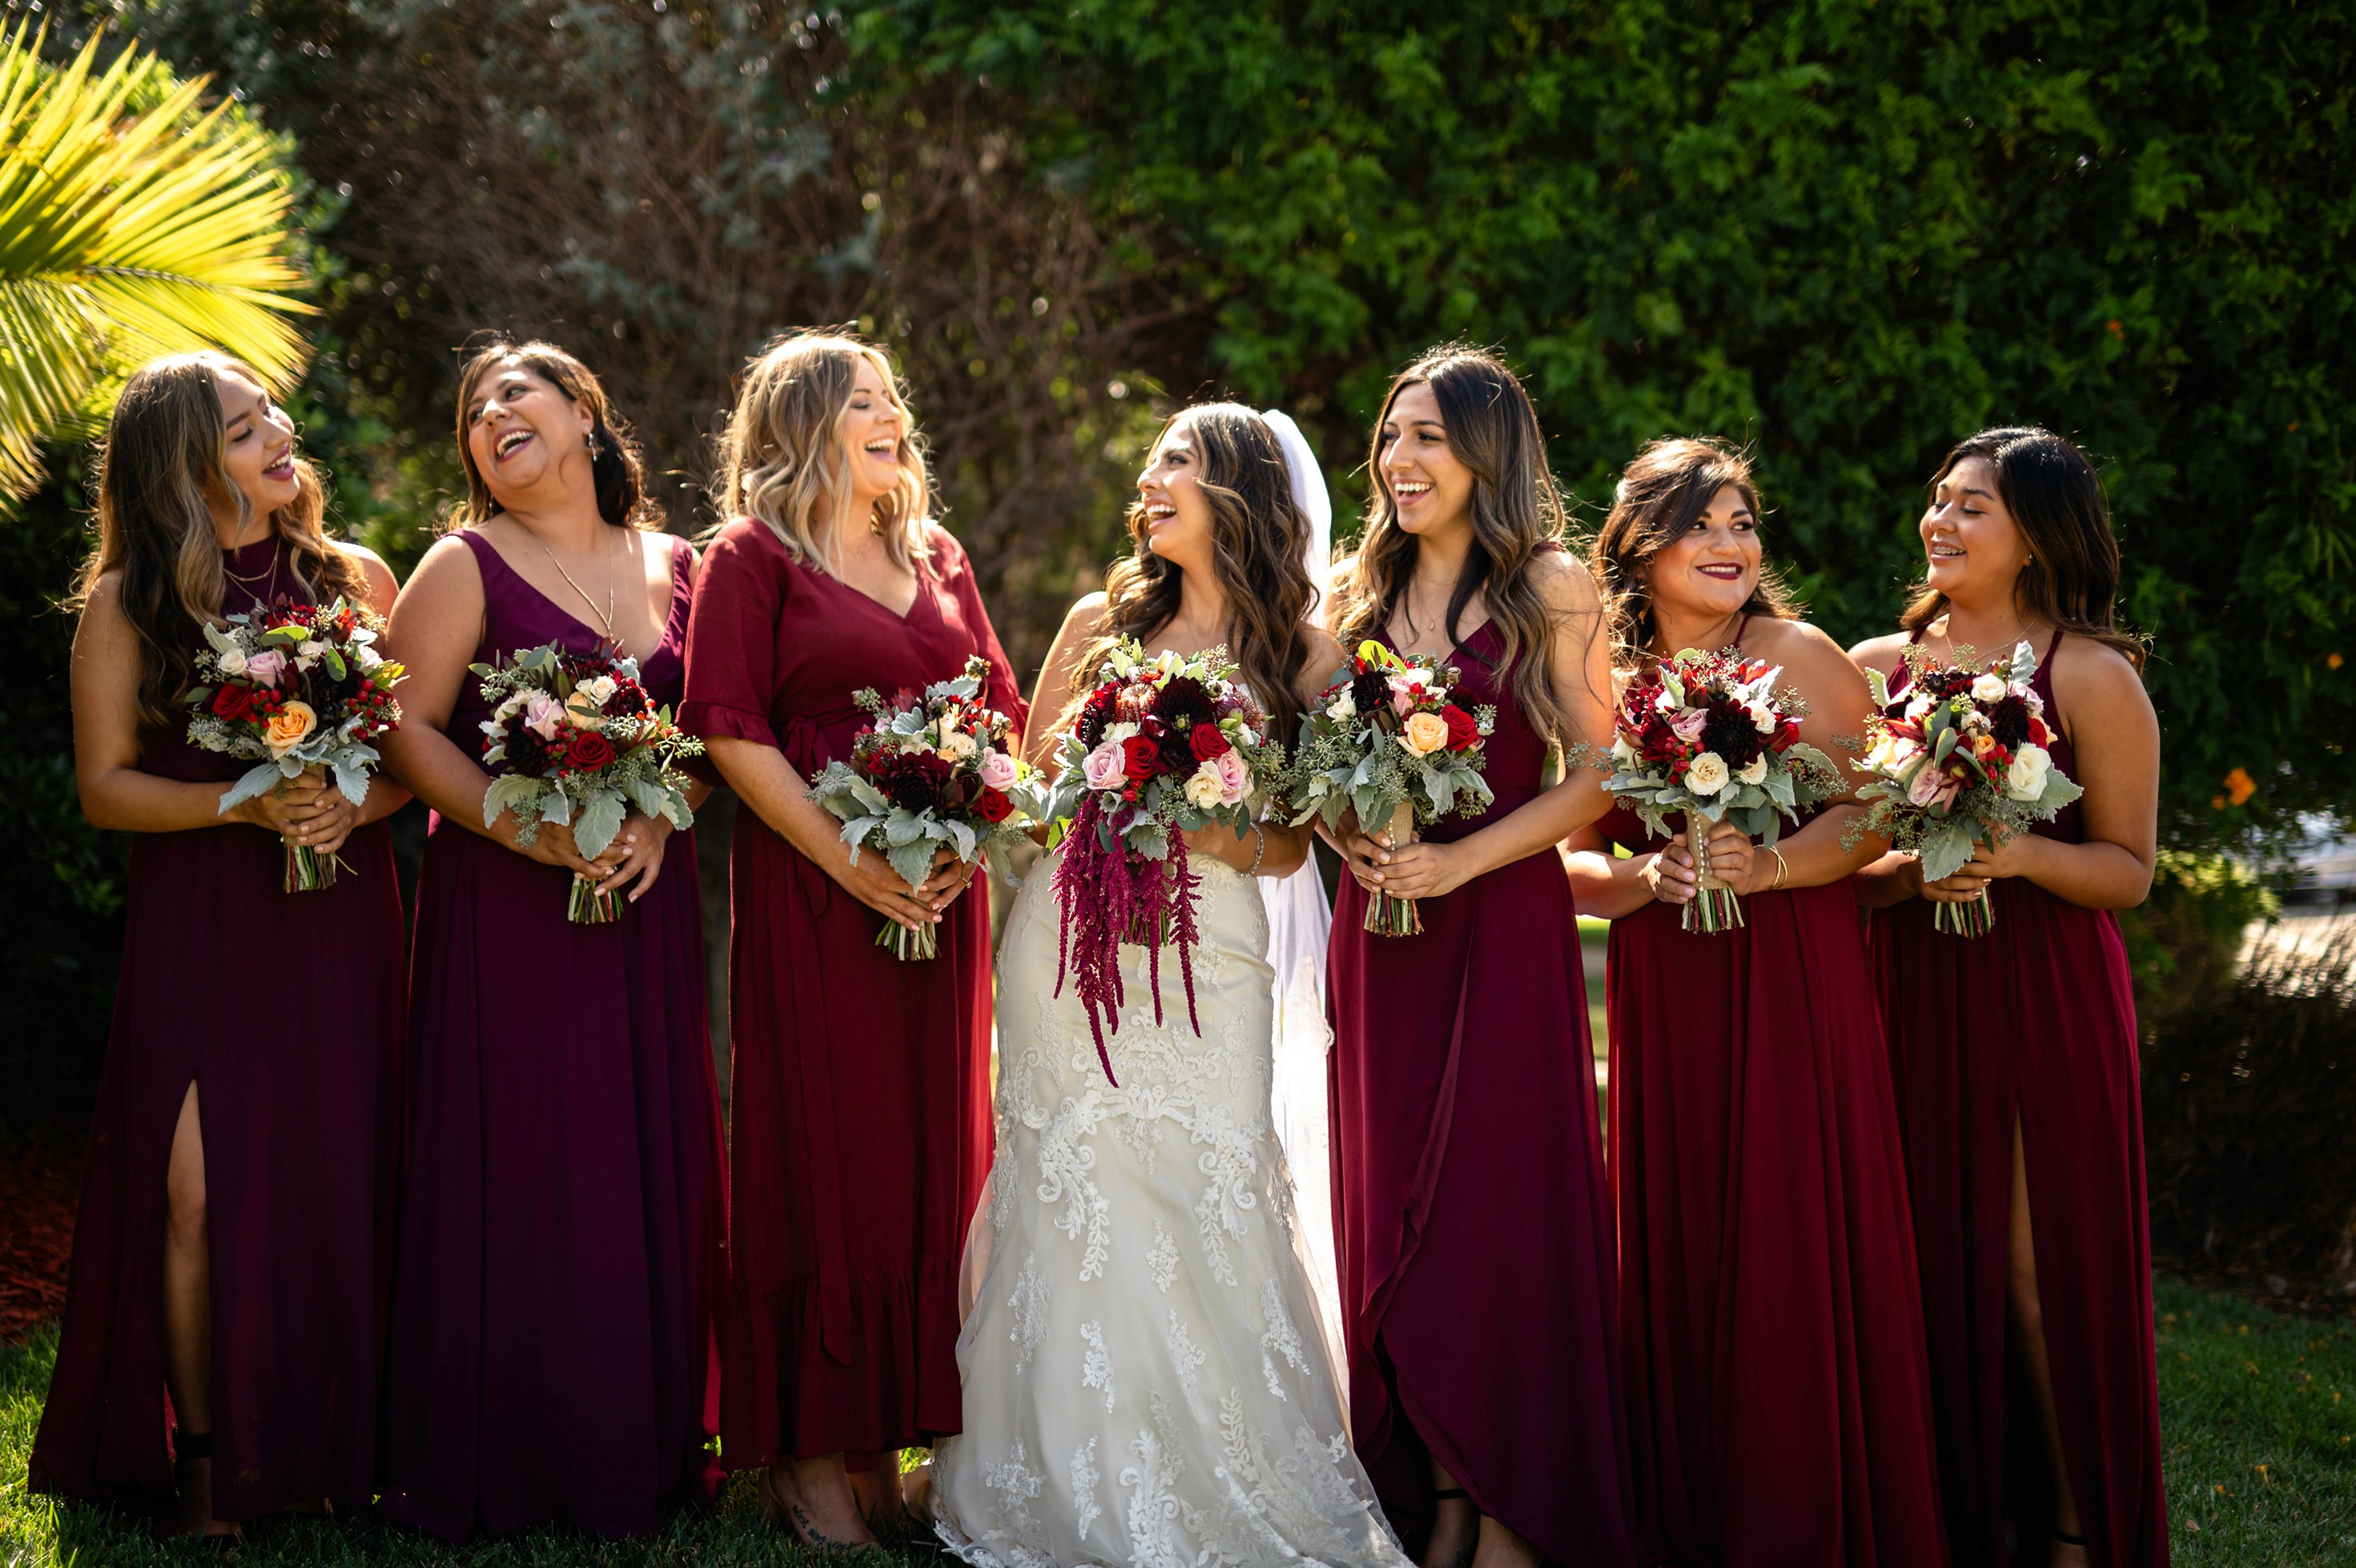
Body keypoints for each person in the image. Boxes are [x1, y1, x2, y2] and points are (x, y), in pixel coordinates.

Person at [919, 401, 1405, 1566]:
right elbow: (1035, 790)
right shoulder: (1098, 622)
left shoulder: (1305, 651)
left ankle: (1227, 1477)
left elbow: (1301, 843)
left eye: (1176, 462)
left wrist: (1206, 827)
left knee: (1209, 1180)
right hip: (1067, 943)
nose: (1149, 480)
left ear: (1236, 488)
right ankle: (1050, 1480)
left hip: (1211, 951)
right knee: (1067, 1181)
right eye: (1149, 463)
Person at [31, 353, 407, 1537]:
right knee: (191, 1192)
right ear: (186, 468)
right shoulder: (130, 600)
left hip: (339, 909)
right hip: (200, 918)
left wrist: (354, 806)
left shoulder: (355, 576)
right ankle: (203, 1465)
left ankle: (347, 1448)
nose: (279, 434)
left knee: (344, 1174)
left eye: (271, 412)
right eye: (245, 429)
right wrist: (240, 802)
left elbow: (411, 757)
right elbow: (103, 787)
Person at [1562, 437, 1948, 1565]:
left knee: (1789, 1229)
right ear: (1640, 545)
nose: (1732, 543)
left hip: (1792, 984)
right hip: (1669, 994)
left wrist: (1769, 865)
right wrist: (1641, 879)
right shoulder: (1606, 677)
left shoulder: (1797, 652)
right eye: (1704, 524)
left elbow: (1877, 810)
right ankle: (1687, 1513)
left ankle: (1808, 1507)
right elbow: (1564, 857)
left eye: (1742, 522)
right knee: (1683, 1231)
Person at [377, 339, 725, 1540]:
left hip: (642, 901)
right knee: (527, 1158)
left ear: (583, 410)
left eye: (513, 394)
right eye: (473, 411)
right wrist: (518, 830)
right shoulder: (460, 562)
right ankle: (508, 1450)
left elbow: (705, 736)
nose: (490, 417)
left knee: (637, 1149)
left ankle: (640, 1441)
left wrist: (658, 822)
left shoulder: (681, 564)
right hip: (507, 907)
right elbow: (407, 731)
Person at [681, 331, 1022, 1544]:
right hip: (819, 898)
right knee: (827, 1151)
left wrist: (955, 840)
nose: (889, 415)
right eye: (860, 400)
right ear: (803, 423)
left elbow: (999, 711)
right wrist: (853, 860)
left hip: (936, 900)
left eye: (892, 395)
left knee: (932, 1162)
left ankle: (895, 1433)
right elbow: (726, 729)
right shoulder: (750, 556)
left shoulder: (935, 552)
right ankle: (811, 1453)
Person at [1324, 346, 1638, 1568]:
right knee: (1389, 1207)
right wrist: (1358, 829)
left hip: (1498, 922)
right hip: (1380, 934)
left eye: (1430, 438)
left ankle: (1512, 1510)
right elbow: (1315, 754)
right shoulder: (1361, 588)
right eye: (1391, 435)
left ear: (1486, 454)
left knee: (1495, 1215)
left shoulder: (1550, 585)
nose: (1400, 460)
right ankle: (1439, 1495)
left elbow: (1599, 773)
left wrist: (1464, 861)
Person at [1852, 428, 2166, 1568]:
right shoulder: (1873, 665)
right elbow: (1855, 859)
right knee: (1919, 1269)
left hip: (2042, 1000)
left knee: (2037, 1284)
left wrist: (2020, 854)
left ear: (2035, 531)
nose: (1939, 520)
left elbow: (2126, 868)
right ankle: (1955, 1528)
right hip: (1907, 991)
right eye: (1935, 500)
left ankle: (2080, 1532)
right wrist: (1901, 872)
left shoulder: (2088, 673)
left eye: (1970, 506)